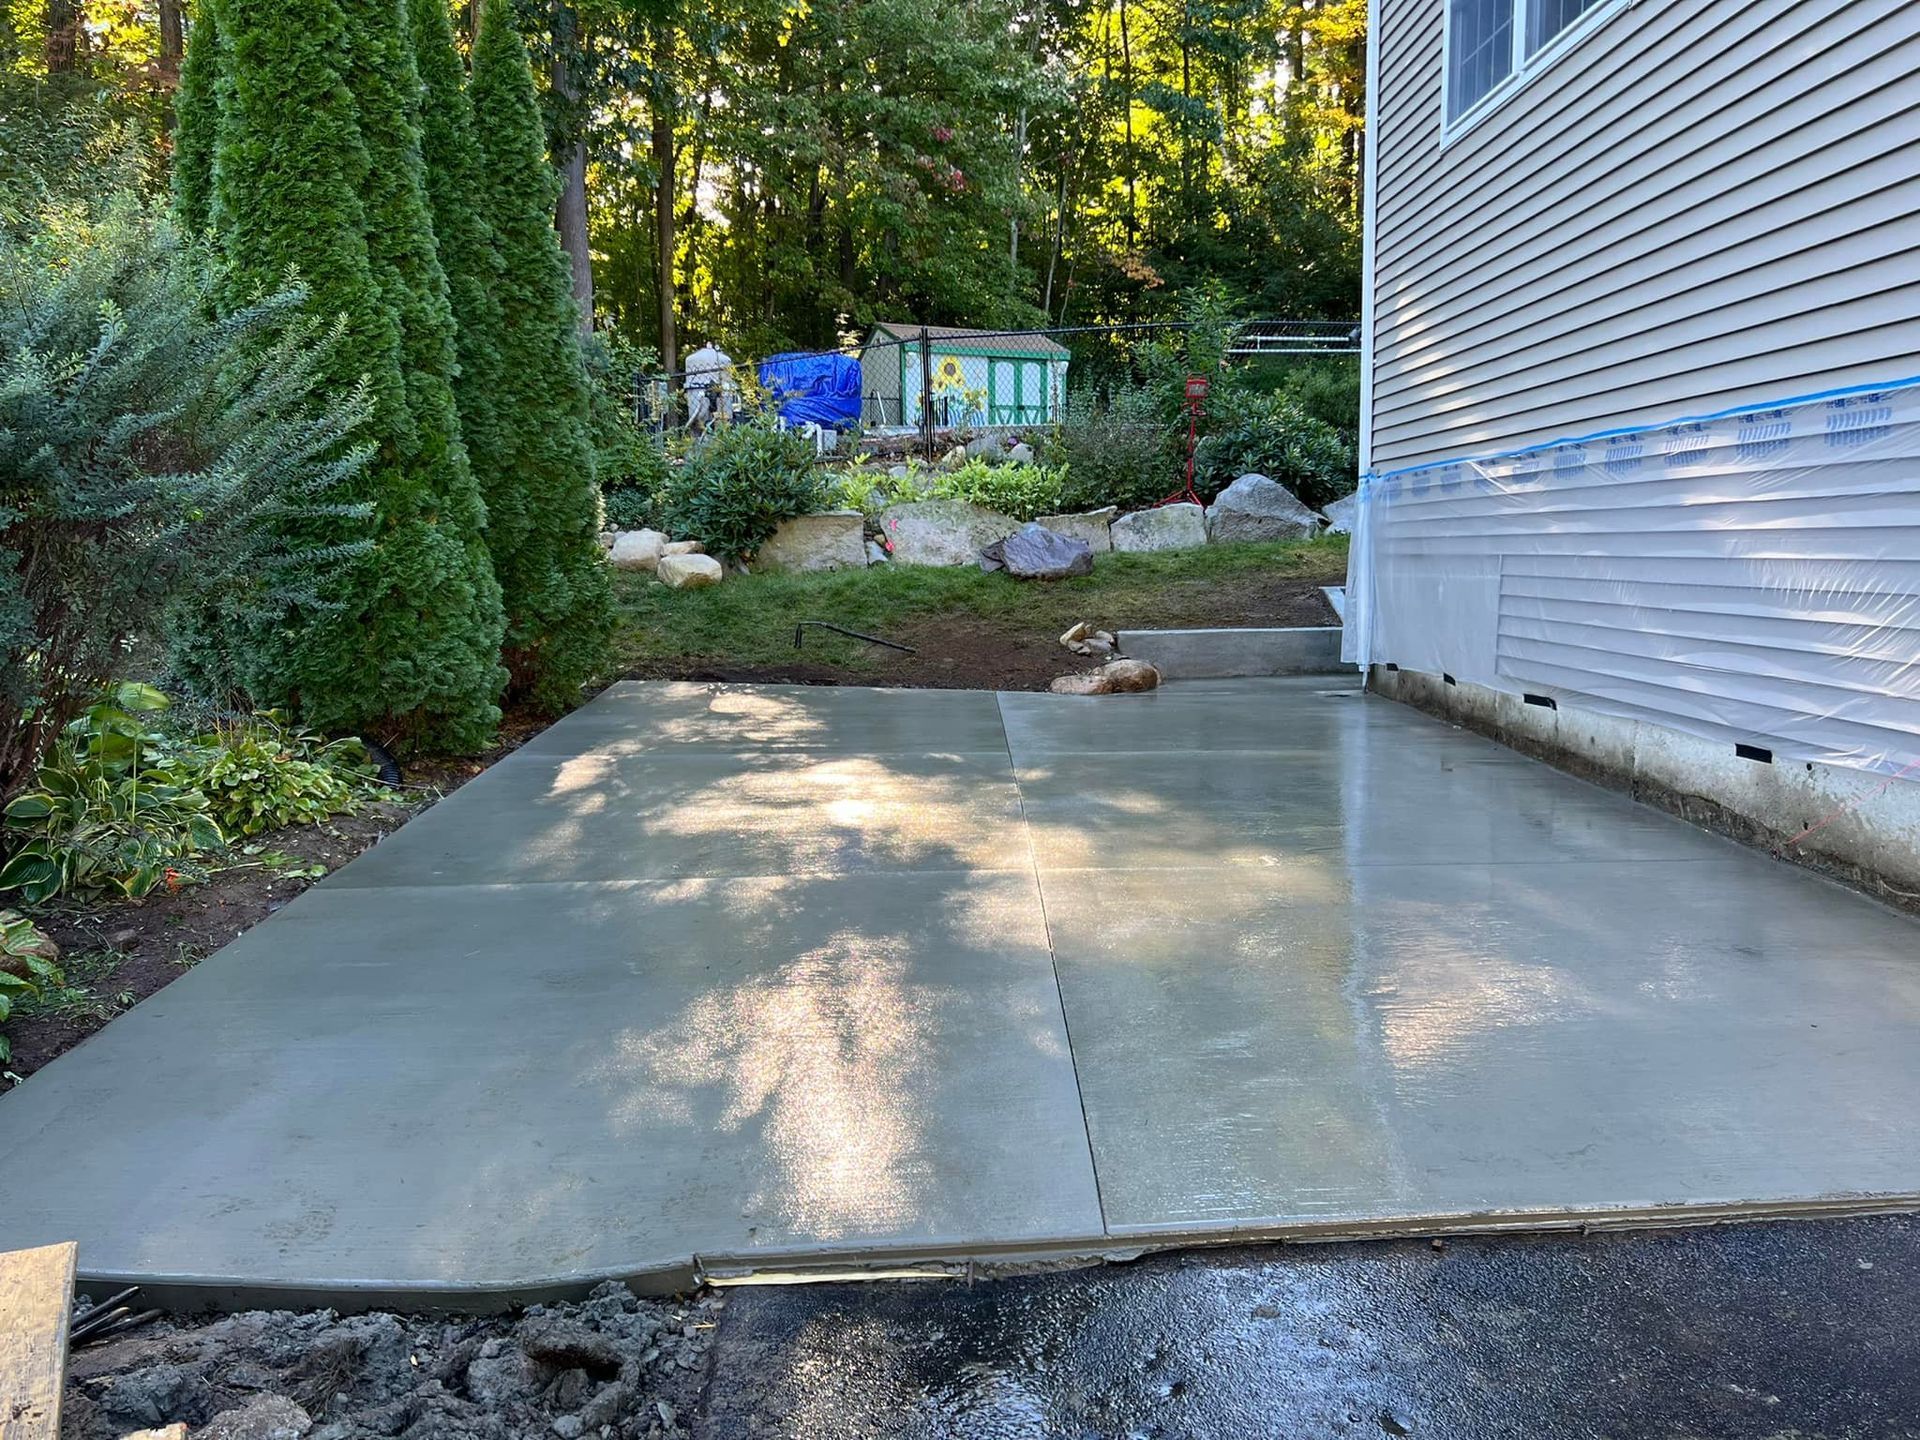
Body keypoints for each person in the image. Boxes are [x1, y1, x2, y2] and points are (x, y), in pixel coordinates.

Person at [682, 340, 735, 431]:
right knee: (699, 424)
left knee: (722, 420)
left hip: (720, 401)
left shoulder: (721, 360)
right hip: (701, 398)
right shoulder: (694, 360)